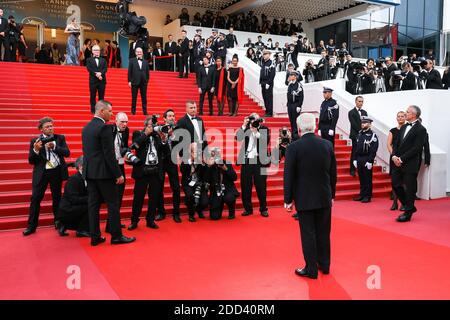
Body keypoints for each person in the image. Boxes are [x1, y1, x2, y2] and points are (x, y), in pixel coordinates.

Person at [284, 113, 337, 279]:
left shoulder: (293, 147)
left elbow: (289, 175)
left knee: (308, 234)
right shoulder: (327, 145)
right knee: (323, 232)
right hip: (324, 196)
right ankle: (325, 265)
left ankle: (311, 269)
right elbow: (333, 173)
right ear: (314, 126)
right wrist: (332, 195)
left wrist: (287, 199)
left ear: (299, 128)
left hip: (304, 198)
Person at [81, 100, 136, 246]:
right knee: (113, 204)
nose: (111, 114)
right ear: (101, 111)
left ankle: (95, 237)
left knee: (93, 206)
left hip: (90, 173)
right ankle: (117, 236)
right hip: (104, 174)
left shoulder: (86, 128)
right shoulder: (104, 128)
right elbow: (109, 154)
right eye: (110, 111)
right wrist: (118, 174)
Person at [23, 117, 71, 236]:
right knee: (35, 198)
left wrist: (55, 147)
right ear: (41, 129)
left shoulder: (60, 138)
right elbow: (31, 161)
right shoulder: (35, 141)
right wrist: (36, 150)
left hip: (56, 171)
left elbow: (67, 153)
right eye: (47, 127)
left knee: (57, 198)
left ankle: (58, 223)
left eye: (51, 126)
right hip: (42, 173)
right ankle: (31, 226)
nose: (50, 128)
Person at [128, 116, 169, 230]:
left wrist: (164, 140)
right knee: (138, 198)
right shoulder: (138, 134)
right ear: (146, 126)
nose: (154, 127)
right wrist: (146, 134)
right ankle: (134, 221)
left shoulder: (157, 136)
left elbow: (166, 153)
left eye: (154, 125)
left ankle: (150, 220)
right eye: (151, 125)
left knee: (154, 197)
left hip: (155, 171)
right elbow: (135, 145)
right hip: (142, 171)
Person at [391, 105, 428, 223]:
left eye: (407, 112)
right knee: (395, 184)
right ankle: (409, 207)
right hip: (397, 162)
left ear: (414, 114)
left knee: (410, 189)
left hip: (410, 164)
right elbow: (396, 143)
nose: (405, 113)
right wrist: (394, 156)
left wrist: (401, 159)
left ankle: (407, 214)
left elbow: (416, 148)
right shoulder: (404, 127)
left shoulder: (421, 129)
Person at [237, 114, 271, 218]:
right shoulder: (246, 128)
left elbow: (266, 141)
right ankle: (247, 209)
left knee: (261, 185)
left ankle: (263, 209)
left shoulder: (264, 128)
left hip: (260, 161)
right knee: (245, 185)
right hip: (247, 160)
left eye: (255, 120)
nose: (253, 122)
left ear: (259, 120)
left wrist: (256, 131)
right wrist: (244, 125)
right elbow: (238, 138)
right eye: (252, 120)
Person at [155, 109, 182, 223]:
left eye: (173, 116)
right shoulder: (158, 129)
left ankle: (176, 213)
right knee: (159, 187)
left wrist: (173, 136)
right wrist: (164, 137)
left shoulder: (178, 130)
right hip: (160, 161)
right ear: (164, 118)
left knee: (176, 187)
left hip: (172, 161)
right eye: (169, 116)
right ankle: (161, 212)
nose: (172, 118)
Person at [57, 156, 90, 238]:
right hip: (67, 209)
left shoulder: (88, 177)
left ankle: (65, 225)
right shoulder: (73, 179)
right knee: (91, 206)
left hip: (76, 205)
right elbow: (73, 199)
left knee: (92, 204)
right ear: (81, 167)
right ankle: (81, 230)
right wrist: (90, 199)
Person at [204, 148, 239, 220]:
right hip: (216, 192)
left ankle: (231, 212)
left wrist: (225, 168)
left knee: (229, 198)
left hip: (227, 190)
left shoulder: (227, 163)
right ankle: (219, 206)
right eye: (214, 155)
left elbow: (234, 177)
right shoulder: (209, 166)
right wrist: (208, 167)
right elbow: (206, 179)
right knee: (214, 217)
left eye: (217, 155)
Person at [352, 117, 379, 203]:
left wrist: (370, 161)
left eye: (365, 123)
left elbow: (373, 150)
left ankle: (367, 196)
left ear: (370, 124)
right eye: (362, 123)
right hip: (359, 158)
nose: (363, 124)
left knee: (367, 178)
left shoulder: (373, 135)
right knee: (361, 178)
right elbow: (356, 148)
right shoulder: (359, 134)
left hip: (367, 158)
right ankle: (362, 195)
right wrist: (355, 159)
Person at [180, 143, 209, 222]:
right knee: (190, 196)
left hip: (199, 183)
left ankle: (199, 209)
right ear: (190, 152)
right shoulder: (185, 160)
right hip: (188, 184)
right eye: (195, 152)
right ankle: (191, 214)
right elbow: (182, 170)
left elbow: (205, 174)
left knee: (205, 202)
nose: (198, 153)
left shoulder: (200, 160)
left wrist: (203, 163)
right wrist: (191, 161)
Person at [387, 111, 406, 211]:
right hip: (394, 158)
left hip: (405, 158)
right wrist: (393, 156)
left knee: (404, 182)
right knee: (395, 181)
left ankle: (404, 203)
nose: (400, 118)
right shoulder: (392, 130)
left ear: (405, 117)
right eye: (398, 116)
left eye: (402, 116)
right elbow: (389, 144)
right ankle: (395, 203)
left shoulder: (408, 129)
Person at [348, 96, 368, 177]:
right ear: (356, 102)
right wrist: (361, 131)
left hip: (363, 136)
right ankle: (352, 169)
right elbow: (354, 124)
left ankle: (361, 169)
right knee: (354, 152)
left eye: (362, 101)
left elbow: (367, 123)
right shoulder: (351, 112)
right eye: (359, 101)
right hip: (355, 135)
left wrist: (365, 132)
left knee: (363, 152)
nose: (360, 103)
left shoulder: (365, 112)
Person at [128, 47, 150, 115]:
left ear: (142, 53)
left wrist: (146, 80)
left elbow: (147, 72)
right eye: (137, 52)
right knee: (134, 97)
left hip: (143, 82)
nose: (139, 53)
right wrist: (129, 81)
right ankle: (133, 111)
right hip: (134, 81)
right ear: (135, 53)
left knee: (144, 97)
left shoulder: (146, 61)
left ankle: (145, 111)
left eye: (140, 52)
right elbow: (129, 71)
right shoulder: (132, 60)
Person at [86, 45, 107, 114]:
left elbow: (105, 69)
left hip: (102, 81)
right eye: (95, 50)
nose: (96, 52)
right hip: (93, 81)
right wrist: (97, 74)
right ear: (92, 51)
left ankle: (101, 110)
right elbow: (89, 69)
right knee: (93, 96)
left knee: (101, 96)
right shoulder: (89, 60)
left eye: (98, 50)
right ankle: (93, 110)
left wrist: (100, 73)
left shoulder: (103, 60)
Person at [286, 71, 303, 140]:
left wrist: (299, 105)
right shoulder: (290, 85)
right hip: (290, 105)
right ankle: (293, 135)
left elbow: (301, 96)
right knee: (291, 120)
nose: (290, 76)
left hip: (296, 104)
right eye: (290, 75)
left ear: (295, 76)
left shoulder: (299, 85)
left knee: (295, 120)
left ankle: (296, 135)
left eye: (292, 75)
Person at [260, 50, 276, 117]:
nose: (264, 55)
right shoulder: (264, 63)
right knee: (265, 98)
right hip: (263, 82)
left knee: (268, 98)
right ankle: (267, 111)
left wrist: (268, 83)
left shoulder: (271, 63)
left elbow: (272, 74)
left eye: (266, 54)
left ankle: (270, 113)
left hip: (268, 83)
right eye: (263, 54)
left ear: (269, 55)